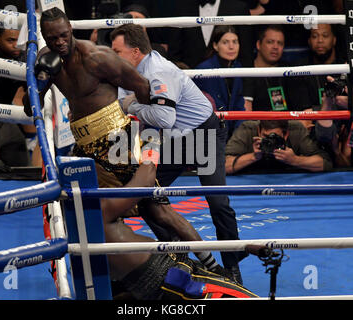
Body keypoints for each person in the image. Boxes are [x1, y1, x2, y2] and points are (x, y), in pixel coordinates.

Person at [23, 7, 226, 280]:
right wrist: (40, 80)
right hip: (85, 146)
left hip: (118, 141)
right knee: (94, 212)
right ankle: (121, 277)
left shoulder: (98, 57)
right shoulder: (47, 62)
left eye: (63, 35)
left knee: (158, 208)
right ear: (45, 37)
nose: (59, 42)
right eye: (52, 37)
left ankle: (213, 267)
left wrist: (139, 125)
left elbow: (142, 86)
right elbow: (29, 108)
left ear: (71, 28)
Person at [111, 23, 247, 284]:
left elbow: (163, 117)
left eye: (117, 51)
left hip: (203, 135)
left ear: (135, 51)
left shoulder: (159, 72)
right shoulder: (127, 72)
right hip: (174, 140)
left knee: (218, 201)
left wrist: (134, 105)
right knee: (144, 195)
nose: (112, 56)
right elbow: (122, 108)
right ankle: (179, 256)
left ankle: (232, 269)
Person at [101, 162, 258, 299]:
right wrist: (148, 148)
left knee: (233, 289)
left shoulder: (89, 218)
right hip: (165, 276)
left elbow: (165, 214)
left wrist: (212, 265)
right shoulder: (103, 210)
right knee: (239, 295)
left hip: (167, 270)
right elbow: (145, 177)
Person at [0, 27, 31, 167]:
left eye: (19, 41)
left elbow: (32, 97)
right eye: (11, 40)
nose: (16, 45)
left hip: (5, 121)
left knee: (23, 167)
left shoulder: (23, 56)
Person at [167, 0, 254, 69]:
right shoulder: (182, 7)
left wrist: (247, 91)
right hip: (190, 81)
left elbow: (247, 55)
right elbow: (174, 53)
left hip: (230, 82)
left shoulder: (238, 8)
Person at [225, 119, 333, 174]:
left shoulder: (295, 130)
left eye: (274, 137)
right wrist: (253, 157)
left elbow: (324, 163)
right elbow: (223, 166)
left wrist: (295, 160)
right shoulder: (247, 130)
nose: (270, 141)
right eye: (265, 136)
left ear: (285, 134)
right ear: (258, 131)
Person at [194, 25, 245, 138]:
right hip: (209, 134)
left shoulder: (238, 67)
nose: (231, 47)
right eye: (225, 42)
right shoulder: (204, 70)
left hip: (230, 132)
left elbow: (239, 104)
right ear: (215, 45)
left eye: (235, 42)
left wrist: (238, 134)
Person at [243, 25, 310, 112]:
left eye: (280, 43)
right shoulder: (245, 72)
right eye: (270, 42)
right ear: (258, 44)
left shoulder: (289, 72)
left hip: (286, 123)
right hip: (257, 124)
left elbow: (305, 109)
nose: (275, 47)